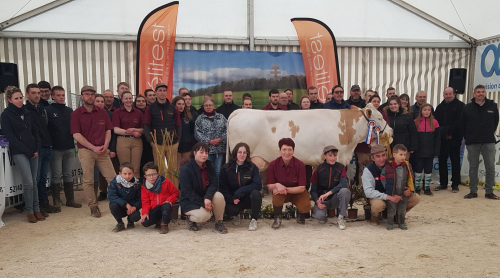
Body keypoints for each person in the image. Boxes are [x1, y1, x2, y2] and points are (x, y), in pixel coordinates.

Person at [71, 85, 117, 218]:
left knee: (112, 178)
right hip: (86, 151)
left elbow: (108, 130)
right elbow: (76, 135)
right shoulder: (76, 114)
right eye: (87, 94)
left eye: (92, 94)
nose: (89, 96)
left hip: (102, 150)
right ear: (82, 96)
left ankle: (117, 202)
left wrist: (106, 145)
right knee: (88, 180)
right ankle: (93, 206)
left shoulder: (102, 112)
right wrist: (93, 147)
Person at [1, 86, 43, 223]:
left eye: (21, 98)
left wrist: (36, 148)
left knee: (34, 182)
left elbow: (35, 131)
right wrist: (27, 151)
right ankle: (29, 210)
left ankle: (37, 209)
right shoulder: (6, 115)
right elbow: (10, 136)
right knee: (28, 182)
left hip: (33, 151)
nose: (20, 101)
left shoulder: (27, 112)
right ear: (9, 100)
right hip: (19, 152)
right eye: (16, 98)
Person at [362, 145, 420, 226]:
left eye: (383, 155)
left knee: (415, 198)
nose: (381, 159)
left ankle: (398, 216)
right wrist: (388, 197)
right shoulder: (368, 170)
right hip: (380, 197)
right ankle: (375, 216)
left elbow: (406, 180)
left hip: (396, 194)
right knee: (377, 205)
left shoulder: (395, 164)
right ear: (372, 158)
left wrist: (407, 189)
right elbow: (368, 192)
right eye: (378, 156)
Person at [24, 84, 60, 215]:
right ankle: (36, 206)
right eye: (33, 93)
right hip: (36, 149)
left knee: (43, 179)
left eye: (38, 93)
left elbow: (45, 128)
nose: (37, 95)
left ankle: (44, 203)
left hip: (47, 147)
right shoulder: (25, 110)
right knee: (36, 179)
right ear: (27, 94)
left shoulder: (42, 109)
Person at [46, 86, 82, 209]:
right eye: (58, 95)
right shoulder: (47, 110)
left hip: (69, 146)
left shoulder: (69, 110)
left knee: (68, 174)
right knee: (56, 175)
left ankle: (70, 200)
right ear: (53, 96)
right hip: (55, 148)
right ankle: (56, 201)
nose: (61, 97)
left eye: (63, 95)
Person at [179, 143, 228, 233]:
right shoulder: (185, 170)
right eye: (201, 152)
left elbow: (214, 183)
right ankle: (190, 219)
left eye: (206, 153)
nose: (204, 155)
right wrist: (203, 202)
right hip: (190, 200)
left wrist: (208, 197)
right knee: (204, 216)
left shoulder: (209, 165)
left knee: (219, 196)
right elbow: (188, 192)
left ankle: (219, 222)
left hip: (205, 197)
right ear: (194, 153)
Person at [461, 85, 500, 200]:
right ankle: (473, 191)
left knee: (490, 167)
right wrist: (468, 136)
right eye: (478, 92)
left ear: (485, 93)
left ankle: (489, 191)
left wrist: (488, 133)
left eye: (483, 92)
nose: (481, 94)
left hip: (488, 141)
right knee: (473, 167)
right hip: (472, 141)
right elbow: (462, 124)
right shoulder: (467, 107)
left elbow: (495, 121)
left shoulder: (492, 106)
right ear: (474, 94)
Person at [266, 138, 311, 229]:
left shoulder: (300, 165)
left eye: (290, 149)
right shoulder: (273, 164)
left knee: (306, 206)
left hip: (297, 192)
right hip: (280, 193)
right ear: (280, 151)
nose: (287, 152)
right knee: (276, 193)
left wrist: (284, 189)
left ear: (293, 151)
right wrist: (277, 185)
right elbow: (270, 186)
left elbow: (302, 187)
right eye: (284, 149)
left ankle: (300, 214)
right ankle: (277, 218)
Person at [143, 83, 182, 187]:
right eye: (160, 90)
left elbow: (178, 125)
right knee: (159, 169)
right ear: (156, 93)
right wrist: (151, 142)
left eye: (164, 90)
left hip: (172, 143)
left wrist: (177, 141)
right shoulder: (150, 108)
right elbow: (146, 126)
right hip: (157, 144)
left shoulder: (173, 108)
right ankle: (159, 191)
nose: (162, 92)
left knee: (173, 169)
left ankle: (174, 191)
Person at [219, 143, 262, 231]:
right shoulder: (226, 168)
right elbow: (223, 187)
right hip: (233, 199)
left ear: (247, 154)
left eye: (244, 153)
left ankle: (254, 220)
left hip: (247, 198)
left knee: (256, 194)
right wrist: (231, 199)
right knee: (230, 210)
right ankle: (236, 214)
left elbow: (258, 184)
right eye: (240, 152)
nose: (242, 155)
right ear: (235, 153)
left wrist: (240, 192)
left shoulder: (253, 168)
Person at [310, 145, 350, 230]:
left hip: (335, 198)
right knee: (318, 216)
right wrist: (317, 201)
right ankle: (323, 216)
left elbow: (343, 183)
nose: (333, 158)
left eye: (335, 155)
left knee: (345, 191)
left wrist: (329, 193)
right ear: (324, 156)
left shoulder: (341, 167)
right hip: (322, 200)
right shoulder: (318, 169)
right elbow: (313, 190)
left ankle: (341, 217)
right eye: (330, 155)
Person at [434, 87, 464, 192]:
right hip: (442, 138)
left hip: (455, 138)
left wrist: (450, 132)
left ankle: (455, 184)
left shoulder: (461, 106)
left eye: (450, 94)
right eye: (446, 94)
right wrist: (444, 133)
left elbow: (460, 122)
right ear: (443, 95)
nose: (448, 96)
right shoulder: (439, 107)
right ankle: (443, 183)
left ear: (454, 94)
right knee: (442, 161)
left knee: (455, 161)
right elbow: (436, 123)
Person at [141, 162, 180, 234]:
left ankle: (164, 224)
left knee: (166, 206)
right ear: (145, 176)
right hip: (154, 209)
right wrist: (145, 213)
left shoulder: (166, 181)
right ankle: (159, 221)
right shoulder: (144, 187)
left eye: (154, 174)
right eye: (149, 175)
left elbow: (176, 193)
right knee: (145, 223)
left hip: (165, 206)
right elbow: (145, 202)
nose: (151, 177)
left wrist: (169, 200)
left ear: (158, 173)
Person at [113, 91, 144, 178]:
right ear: (122, 99)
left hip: (137, 141)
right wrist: (131, 132)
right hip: (123, 140)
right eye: (126, 98)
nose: (128, 100)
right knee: (125, 167)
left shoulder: (138, 113)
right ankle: (125, 188)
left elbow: (143, 129)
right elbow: (116, 129)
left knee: (136, 167)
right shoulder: (117, 112)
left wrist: (135, 131)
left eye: (130, 98)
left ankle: (136, 188)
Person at [194, 98, 227, 178]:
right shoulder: (200, 119)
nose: (208, 107)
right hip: (206, 150)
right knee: (208, 169)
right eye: (206, 105)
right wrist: (209, 141)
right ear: (203, 106)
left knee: (218, 170)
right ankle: (209, 187)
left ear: (213, 106)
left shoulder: (221, 117)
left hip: (219, 149)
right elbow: (197, 133)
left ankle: (217, 188)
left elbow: (227, 129)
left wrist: (221, 138)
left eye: (210, 105)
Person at [95, 93, 119, 201]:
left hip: (108, 147)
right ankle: (102, 191)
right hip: (92, 148)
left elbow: (112, 133)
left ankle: (113, 193)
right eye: (98, 101)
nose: (100, 103)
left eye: (101, 102)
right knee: (98, 173)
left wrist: (111, 148)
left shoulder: (108, 114)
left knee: (112, 171)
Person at [385, 144, 414, 230]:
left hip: (403, 193)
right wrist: (389, 193)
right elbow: (384, 181)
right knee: (391, 209)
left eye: (405, 155)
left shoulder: (407, 166)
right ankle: (390, 223)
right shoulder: (388, 166)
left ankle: (401, 222)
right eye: (401, 154)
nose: (403, 157)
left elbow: (411, 179)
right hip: (392, 193)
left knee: (402, 209)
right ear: (394, 155)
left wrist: (409, 190)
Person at [413, 103, 440, 196]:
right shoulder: (416, 122)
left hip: (430, 150)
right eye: (425, 110)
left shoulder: (435, 122)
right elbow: (414, 137)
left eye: (429, 110)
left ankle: (427, 188)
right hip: (419, 150)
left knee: (428, 169)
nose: (427, 112)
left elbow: (437, 137)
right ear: (421, 111)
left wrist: (436, 150)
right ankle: (417, 188)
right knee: (418, 169)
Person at [108, 162, 141, 233]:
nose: (127, 176)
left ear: (133, 173)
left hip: (132, 208)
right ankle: (120, 223)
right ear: (120, 173)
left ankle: (130, 221)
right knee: (113, 205)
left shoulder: (137, 184)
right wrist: (126, 204)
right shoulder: (114, 182)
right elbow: (112, 196)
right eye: (125, 174)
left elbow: (140, 199)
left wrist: (134, 207)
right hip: (120, 207)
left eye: (130, 173)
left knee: (136, 216)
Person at [173, 96, 197, 169]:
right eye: (179, 104)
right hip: (175, 146)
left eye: (183, 104)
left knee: (186, 168)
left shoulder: (188, 115)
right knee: (176, 168)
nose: (181, 106)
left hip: (187, 146)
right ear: (174, 105)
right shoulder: (171, 116)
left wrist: (191, 141)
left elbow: (192, 130)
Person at [134, 95, 154, 180]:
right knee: (139, 161)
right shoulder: (133, 112)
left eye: (143, 101)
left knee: (149, 160)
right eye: (138, 101)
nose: (141, 103)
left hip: (148, 140)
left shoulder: (149, 111)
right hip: (137, 140)